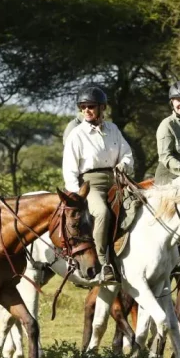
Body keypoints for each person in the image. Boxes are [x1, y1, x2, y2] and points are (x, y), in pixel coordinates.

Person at [61, 85, 134, 283]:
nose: (86, 110)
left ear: (102, 108)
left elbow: (127, 153)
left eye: (90, 106)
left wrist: (124, 164)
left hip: (117, 179)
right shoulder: (76, 134)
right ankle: (103, 263)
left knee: (141, 203)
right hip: (90, 184)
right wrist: (77, 196)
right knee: (101, 212)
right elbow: (69, 169)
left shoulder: (113, 129)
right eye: (82, 106)